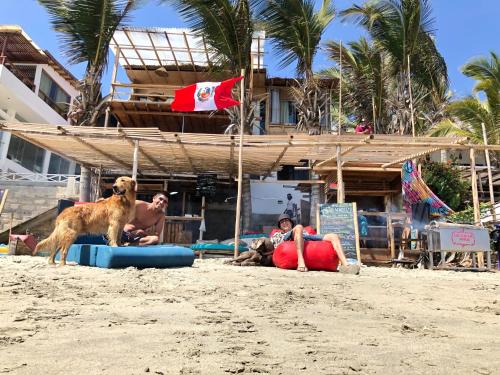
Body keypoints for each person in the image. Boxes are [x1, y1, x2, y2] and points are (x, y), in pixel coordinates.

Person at [271, 213, 360, 274]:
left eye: (286, 220)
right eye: (282, 222)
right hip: (290, 237)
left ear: (291, 222)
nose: (285, 222)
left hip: (305, 236)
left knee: (334, 236)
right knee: (299, 227)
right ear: (279, 226)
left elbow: (310, 236)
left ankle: (346, 265)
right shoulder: (278, 234)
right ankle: (301, 262)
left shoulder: (303, 230)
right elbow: (274, 246)